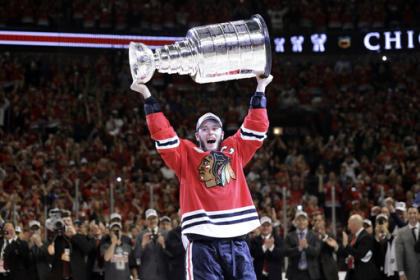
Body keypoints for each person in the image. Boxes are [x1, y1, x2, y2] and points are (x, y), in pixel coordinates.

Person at [130, 71, 273, 280]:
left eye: (215, 128)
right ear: (198, 136)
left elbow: (256, 127)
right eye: (204, 129)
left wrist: (261, 88)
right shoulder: (186, 154)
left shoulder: (235, 149)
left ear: (222, 134)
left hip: (237, 240)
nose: (210, 132)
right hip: (202, 240)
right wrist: (147, 96)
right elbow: (163, 135)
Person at [337, 214, 379, 280]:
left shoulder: (366, 237)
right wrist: (337, 246)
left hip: (364, 274)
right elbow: (347, 253)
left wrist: (346, 245)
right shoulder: (353, 236)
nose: (348, 227)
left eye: (349, 224)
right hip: (353, 272)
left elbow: (360, 254)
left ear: (354, 224)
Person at [133, 209, 169, 280]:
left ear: (158, 219)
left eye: (154, 218)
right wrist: (142, 245)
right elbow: (136, 256)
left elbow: (171, 255)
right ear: (146, 221)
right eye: (149, 219)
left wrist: (164, 245)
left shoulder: (166, 234)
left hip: (163, 275)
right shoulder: (140, 236)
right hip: (146, 275)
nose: (152, 221)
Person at [284, 211, 321, 280]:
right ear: (295, 222)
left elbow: (317, 252)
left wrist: (306, 246)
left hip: (310, 274)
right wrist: (299, 248)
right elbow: (285, 252)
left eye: (303, 219)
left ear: (307, 221)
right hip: (294, 273)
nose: (301, 222)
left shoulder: (314, 236)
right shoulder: (289, 236)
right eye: (299, 220)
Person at [311, 212, 339, 280]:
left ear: (324, 222)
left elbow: (334, 249)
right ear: (311, 222)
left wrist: (324, 236)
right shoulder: (308, 236)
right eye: (315, 220)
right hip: (314, 272)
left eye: (319, 220)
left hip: (329, 272)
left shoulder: (330, 235)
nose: (317, 222)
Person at [395, 206, 420, 280]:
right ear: (406, 215)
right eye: (410, 213)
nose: (412, 215)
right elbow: (399, 254)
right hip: (409, 272)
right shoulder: (400, 232)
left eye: (415, 213)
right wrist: (401, 272)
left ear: (418, 214)